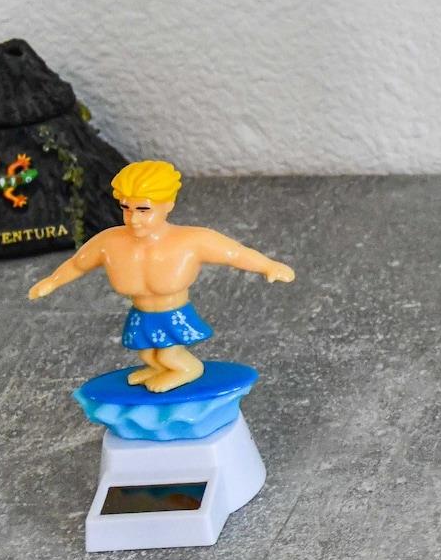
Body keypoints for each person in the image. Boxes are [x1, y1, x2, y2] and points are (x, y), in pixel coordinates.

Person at [28, 160, 295, 394]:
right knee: (147, 353)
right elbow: (78, 264)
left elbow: (235, 253)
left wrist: (268, 266)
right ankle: (159, 369)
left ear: (168, 204)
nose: (134, 219)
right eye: (126, 208)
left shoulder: (192, 240)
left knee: (169, 353)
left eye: (144, 209)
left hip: (174, 314)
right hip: (141, 314)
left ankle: (188, 369)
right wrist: (51, 281)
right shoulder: (109, 242)